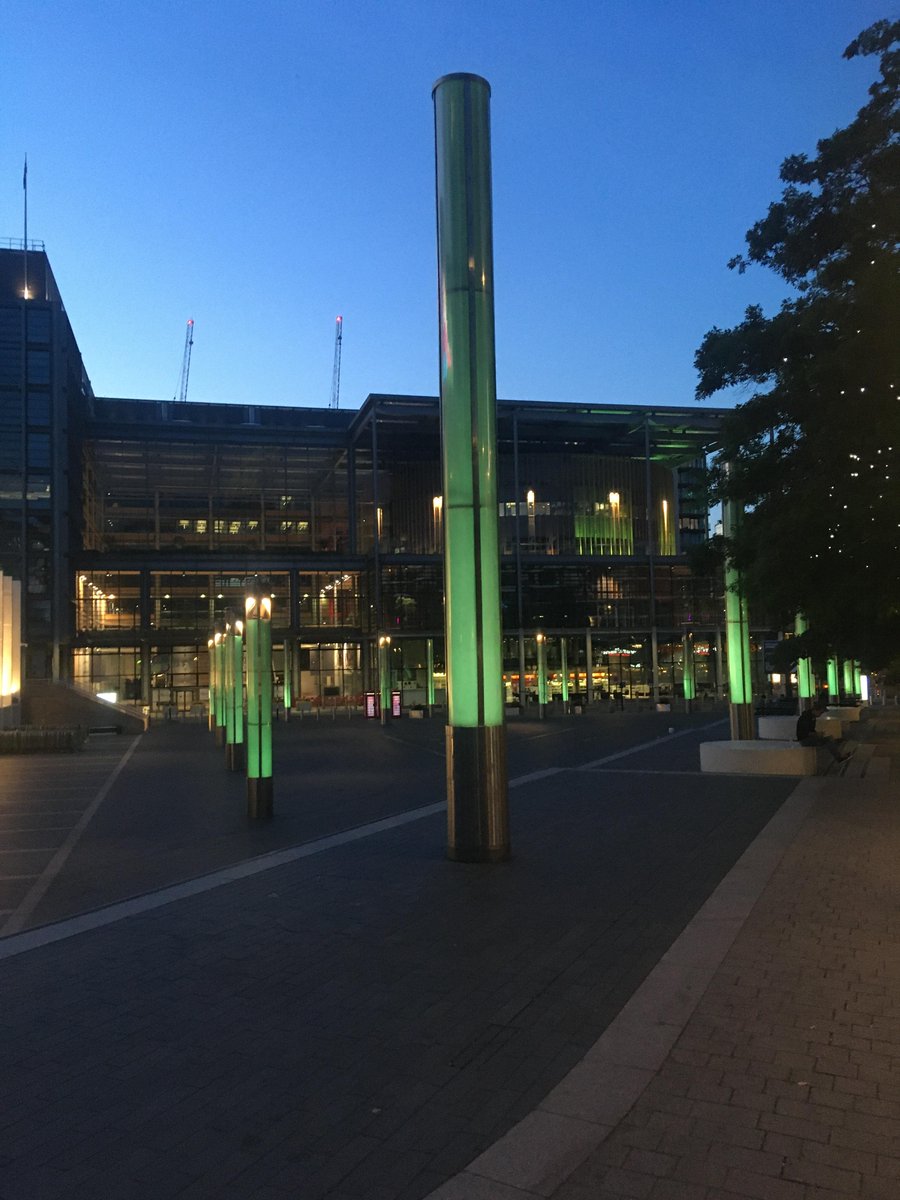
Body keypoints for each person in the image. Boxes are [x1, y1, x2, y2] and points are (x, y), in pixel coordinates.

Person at [797, 698, 853, 762]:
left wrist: (817, 734)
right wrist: (816, 734)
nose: (821, 714)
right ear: (816, 710)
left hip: (808, 737)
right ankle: (839, 757)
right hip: (804, 740)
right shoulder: (806, 717)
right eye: (821, 712)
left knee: (831, 739)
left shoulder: (811, 717)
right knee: (828, 740)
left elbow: (810, 730)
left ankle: (839, 754)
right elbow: (804, 732)